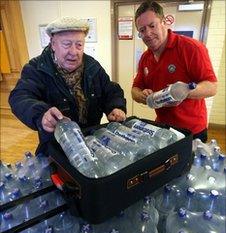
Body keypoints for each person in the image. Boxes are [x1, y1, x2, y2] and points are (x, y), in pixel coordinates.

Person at [9, 17, 126, 155]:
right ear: (53, 44)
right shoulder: (36, 68)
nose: (74, 52)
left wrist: (116, 106)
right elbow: (20, 96)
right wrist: (41, 114)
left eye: (79, 45)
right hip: (57, 147)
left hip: (92, 142)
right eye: (67, 44)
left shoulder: (92, 66)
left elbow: (110, 89)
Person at [132, 1, 217, 142]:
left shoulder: (191, 48)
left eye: (152, 26)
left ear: (164, 22)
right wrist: (143, 96)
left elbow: (212, 87)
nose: (148, 33)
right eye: (142, 30)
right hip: (162, 128)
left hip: (192, 131)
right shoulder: (145, 57)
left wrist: (184, 91)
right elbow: (135, 89)